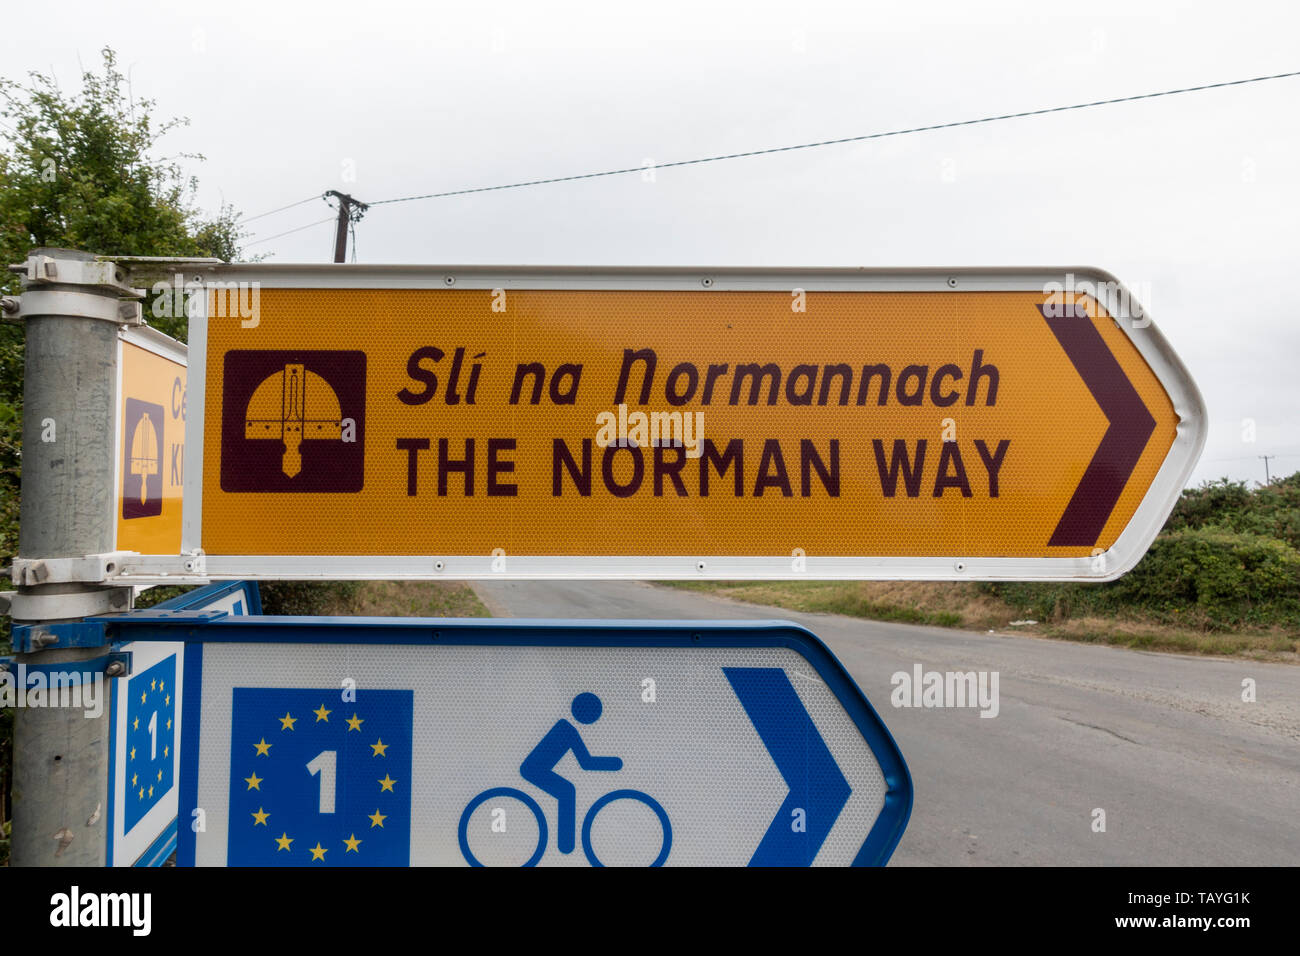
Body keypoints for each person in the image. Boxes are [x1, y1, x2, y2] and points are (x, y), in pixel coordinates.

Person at [519, 692, 622, 854]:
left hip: (537, 768)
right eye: (594, 714)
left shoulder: (566, 727)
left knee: (567, 789)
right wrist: (614, 763)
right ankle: (565, 845)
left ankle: (565, 845)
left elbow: (584, 761)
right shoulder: (567, 729)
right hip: (534, 770)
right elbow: (585, 762)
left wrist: (613, 763)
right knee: (567, 791)